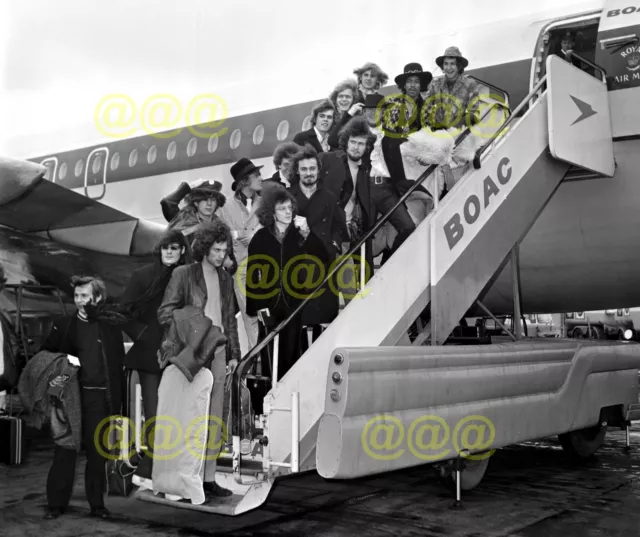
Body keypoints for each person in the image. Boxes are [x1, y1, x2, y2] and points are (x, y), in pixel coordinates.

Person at [157, 220, 240, 500]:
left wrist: (233, 354)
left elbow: (229, 320)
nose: (220, 255)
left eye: (224, 250)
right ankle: (183, 478)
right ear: (204, 248)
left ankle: (208, 478)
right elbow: (165, 312)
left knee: (214, 415)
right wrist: (193, 329)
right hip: (190, 353)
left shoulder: (226, 279)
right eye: (216, 250)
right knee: (187, 416)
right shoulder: (183, 274)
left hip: (217, 351)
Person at [42, 276, 127, 520]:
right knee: (64, 451)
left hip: (100, 399)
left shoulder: (110, 326)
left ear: (98, 298)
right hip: (71, 398)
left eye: (85, 296)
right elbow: (45, 356)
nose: (79, 301)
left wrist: (119, 404)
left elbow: (118, 364)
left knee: (97, 454)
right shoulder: (64, 324)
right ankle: (55, 505)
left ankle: (97, 505)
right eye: (77, 296)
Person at [119, 229, 190, 488]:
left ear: (183, 250)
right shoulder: (142, 276)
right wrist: (143, 334)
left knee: (180, 412)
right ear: (159, 250)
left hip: (182, 355)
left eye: (174, 247)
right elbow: (123, 313)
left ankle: (174, 467)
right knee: (154, 412)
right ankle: (151, 463)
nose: (169, 252)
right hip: (150, 355)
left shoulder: (191, 276)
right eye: (165, 247)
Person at [245, 185, 330, 380]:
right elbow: (252, 275)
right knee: (268, 354)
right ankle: (269, 398)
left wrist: (308, 232)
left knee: (292, 353)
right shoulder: (261, 238)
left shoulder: (300, 234)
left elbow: (323, 255)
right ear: (271, 212)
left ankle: (289, 395)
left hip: (293, 302)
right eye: (282, 208)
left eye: (289, 207)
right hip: (268, 303)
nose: (287, 212)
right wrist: (256, 307)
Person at [288, 147, 348, 344]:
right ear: (297, 171)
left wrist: (334, 244)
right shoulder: (288, 197)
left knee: (325, 321)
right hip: (297, 265)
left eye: (312, 168)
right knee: (300, 321)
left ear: (318, 170)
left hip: (324, 263)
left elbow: (339, 226)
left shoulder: (329, 197)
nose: (308, 173)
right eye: (303, 169)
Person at [218, 157, 264, 352]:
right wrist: (237, 235)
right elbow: (220, 234)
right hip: (241, 270)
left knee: (266, 314)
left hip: (265, 266)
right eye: (256, 175)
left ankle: (268, 359)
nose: (261, 178)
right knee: (249, 315)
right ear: (245, 181)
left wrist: (255, 233)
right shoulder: (225, 207)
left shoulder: (264, 202)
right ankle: (258, 358)